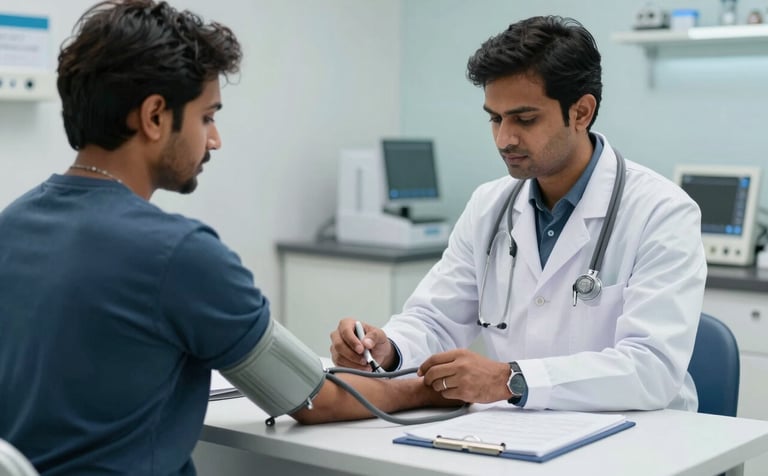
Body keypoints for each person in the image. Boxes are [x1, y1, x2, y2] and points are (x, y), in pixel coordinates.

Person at [0, 1, 455, 475]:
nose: (214, 140)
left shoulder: (11, 223)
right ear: (155, 116)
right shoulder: (178, 254)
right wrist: (427, 389)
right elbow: (312, 399)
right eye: (207, 116)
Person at [332, 15, 707, 412]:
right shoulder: (489, 207)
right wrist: (385, 349)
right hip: (520, 432)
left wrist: (510, 379)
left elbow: (652, 368)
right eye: (495, 118)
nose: (504, 138)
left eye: (525, 120)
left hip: (641, 440)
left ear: (581, 113)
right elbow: (435, 319)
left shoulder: (662, 212)